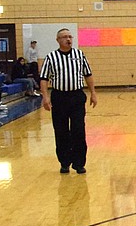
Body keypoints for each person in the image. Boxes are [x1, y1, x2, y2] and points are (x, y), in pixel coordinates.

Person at [39, 28, 98, 174]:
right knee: (61, 131)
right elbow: (44, 79)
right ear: (58, 40)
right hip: (59, 97)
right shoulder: (51, 57)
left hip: (77, 97)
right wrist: (45, 97)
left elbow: (88, 74)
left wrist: (93, 93)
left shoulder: (79, 55)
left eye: (70, 36)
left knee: (78, 130)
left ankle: (79, 163)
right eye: (64, 37)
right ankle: (64, 162)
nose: (68, 39)